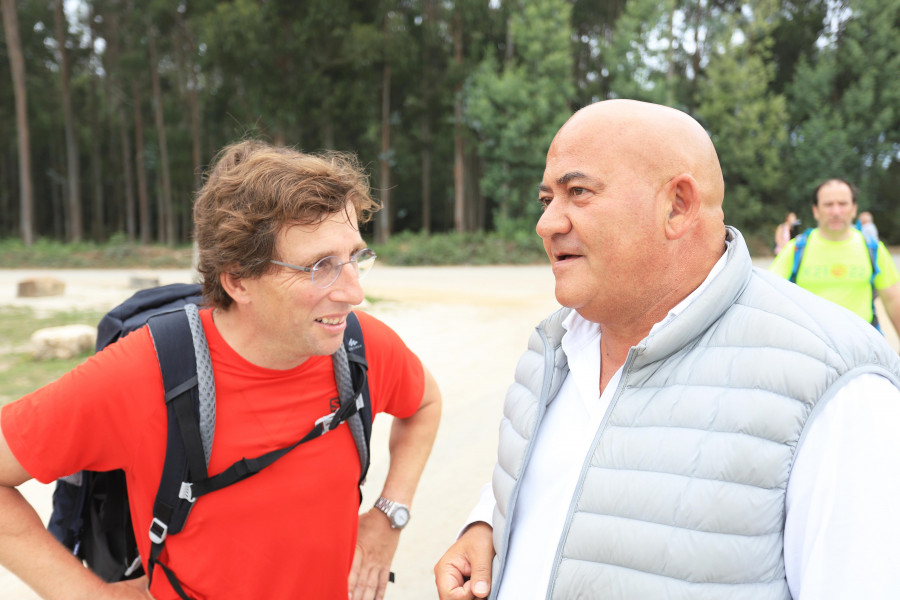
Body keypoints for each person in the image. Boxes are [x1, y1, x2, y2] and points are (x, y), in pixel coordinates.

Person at [434, 100, 900, 600]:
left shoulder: (839, 391)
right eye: (546, 199)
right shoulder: (554, 345)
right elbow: (569, 480)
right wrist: (487, 523)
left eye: (578, 192)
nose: (546, 223)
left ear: (677, 205)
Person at [0, 140, 441, 600]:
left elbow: (425, 403)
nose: (354, 293)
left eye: (354, 258)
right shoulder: (149, 370)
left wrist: (390, 516)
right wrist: (94, 595)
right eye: (320, 267)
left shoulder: (359, 345)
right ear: (238, 280)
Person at [769, 178, 900, 335]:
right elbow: (768, 297)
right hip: (810, 349)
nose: (836, 212)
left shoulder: (873, 249)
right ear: (816, 210)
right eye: (828, 204)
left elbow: (894, 300)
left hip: (862, 350)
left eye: (843, 204)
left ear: (854, 209)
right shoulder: (795, 249)